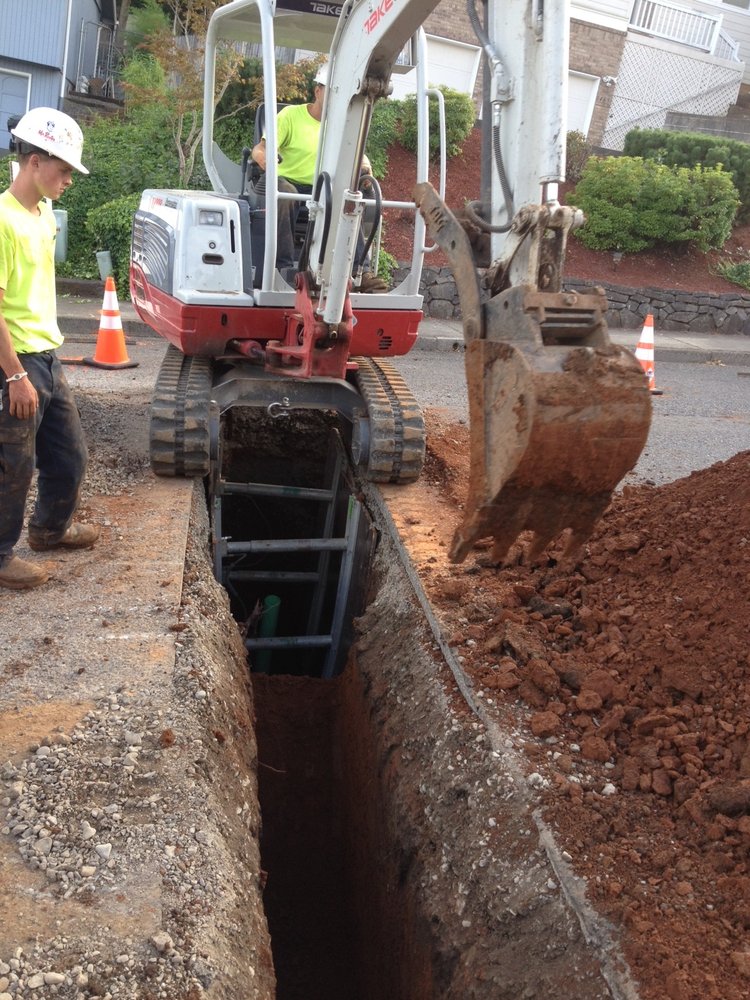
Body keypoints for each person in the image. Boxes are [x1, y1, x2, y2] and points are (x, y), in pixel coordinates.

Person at [0, 107, 100, 591]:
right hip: (15, 362)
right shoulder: (3, 220)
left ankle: (49, 530)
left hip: (45, 355)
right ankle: (1, 557)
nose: (69, 180)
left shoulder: (42, 215)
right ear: (35, 161)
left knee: (69, 455)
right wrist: (15, 376)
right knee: (12, 467)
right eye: (63, 170)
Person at [251, 64, 387, 291]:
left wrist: (365, 167)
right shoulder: (290, 116)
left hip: (321, 189)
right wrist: (263, 158)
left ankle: (359, 271)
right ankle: (283, 268)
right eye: (331, 90)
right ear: (317, 91)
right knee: (287, 195)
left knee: (350, 199)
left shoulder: (341, 125)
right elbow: (260, 148)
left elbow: (358, 154)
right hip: (284, 182)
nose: (336, 97)